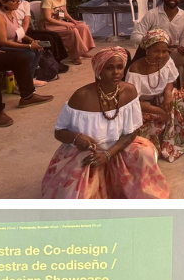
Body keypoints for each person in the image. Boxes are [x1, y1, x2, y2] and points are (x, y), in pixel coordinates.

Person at [42, 47, 168, 198]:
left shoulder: (129, 92)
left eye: (119, 67)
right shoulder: (81, 96)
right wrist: (76, 138)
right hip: (87, 152)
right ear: (99, 71)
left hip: (119, 146)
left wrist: (108, 154)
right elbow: (59, 132)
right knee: (77, 193)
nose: (116, 72)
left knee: (145, 154)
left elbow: (132, 132)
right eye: (109, 68)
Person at [126, 29, 184, 162]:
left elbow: (170, 79)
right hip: (142, 105)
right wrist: (159, 111)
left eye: (164, 51)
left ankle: (175, 135)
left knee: (175, 96)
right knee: (147, 131)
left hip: (160, 97)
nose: (161, 55)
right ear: (147, 49)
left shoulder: (167, 59)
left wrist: (168, 93)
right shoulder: (135, 70)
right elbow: (132, 102)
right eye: (156, 51)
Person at [131, 0, 184, 81]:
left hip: (172, 51)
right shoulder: (152, 14)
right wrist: (153, 43)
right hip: (152, 53)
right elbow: (135, 35)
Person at [0, 0, 46, 86]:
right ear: (3, 3)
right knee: (29, 54)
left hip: (11, 43)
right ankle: (22, 82)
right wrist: (29, 46)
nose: (17, 3)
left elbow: (18, 31)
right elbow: (2, 41)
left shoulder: (12, 12)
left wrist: (32, 41)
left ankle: (29, 79)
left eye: (18, 1)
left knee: (38, 49)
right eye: (14, 1)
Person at [8, 0, 69, 72]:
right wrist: (22, 35)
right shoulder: (7, 4)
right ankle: (51, 63)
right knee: (47, 38)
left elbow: (26, 21)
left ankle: (56, 61)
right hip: (16, 32)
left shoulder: (25, 3)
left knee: (54, 35)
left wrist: (24, 32)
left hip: (25, 30)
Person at [39, 0, 95, 65]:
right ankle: (75, 56)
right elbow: (48, 18)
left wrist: (73, 21)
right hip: (48, 25)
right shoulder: (47, 0)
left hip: (59, 23)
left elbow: (64, 13)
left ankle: (83, 50)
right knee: (72, 30)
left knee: (83, 26)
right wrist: (65, 24)